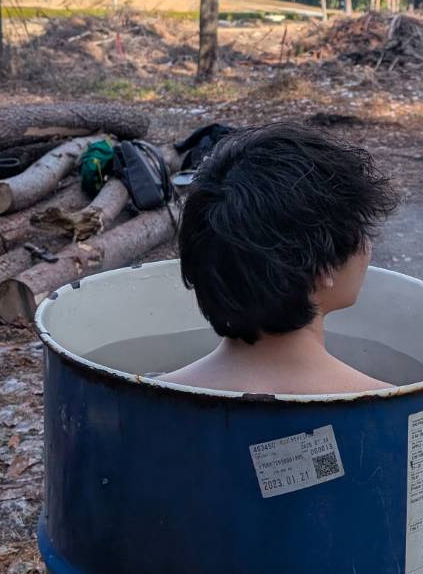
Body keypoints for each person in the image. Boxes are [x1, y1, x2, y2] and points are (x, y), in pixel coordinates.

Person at [162, 123, 398, 394]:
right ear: (323, 269)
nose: (367, 248)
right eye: (362, 229)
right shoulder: (396, 404)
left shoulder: (152, 394)